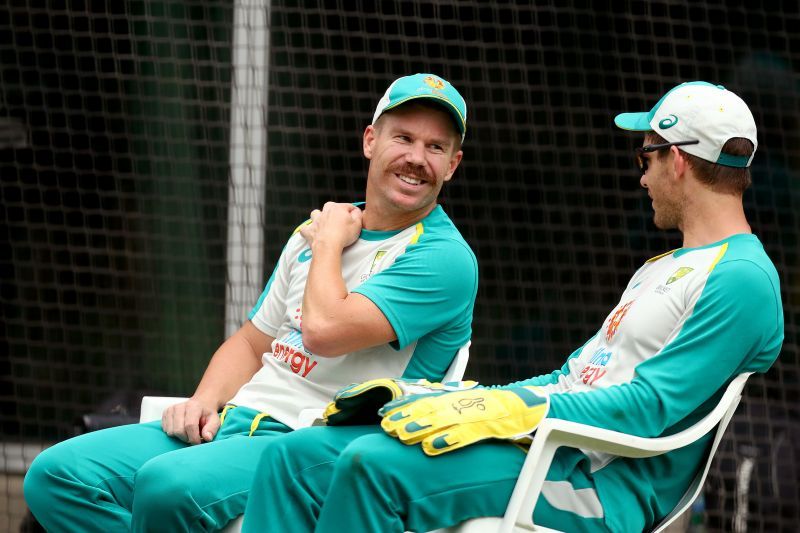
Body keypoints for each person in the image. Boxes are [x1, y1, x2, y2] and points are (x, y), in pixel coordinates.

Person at [240, 81, 784, 533]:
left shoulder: (742, 280)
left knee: (369, 466)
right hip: (549, 448)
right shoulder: (665, 265)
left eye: (646, 156)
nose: (641, 175)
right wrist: (474, 399)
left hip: (596, 486)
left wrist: (512, 414)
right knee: (298, 457)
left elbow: (649, 406)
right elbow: (576, 377)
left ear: (679, 161)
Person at [23, 73, 479, 532]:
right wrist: (203, 401)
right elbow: (251, 342)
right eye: (403, 138)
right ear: (370, 140)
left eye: (435, 147)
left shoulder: (442, 257)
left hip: (315, 449)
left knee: (166, 486)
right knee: (56, 477)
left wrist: (327, 244)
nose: (416, 158)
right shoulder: (320, 232)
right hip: (237, 425)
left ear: (453, 164)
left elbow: (324, 332)